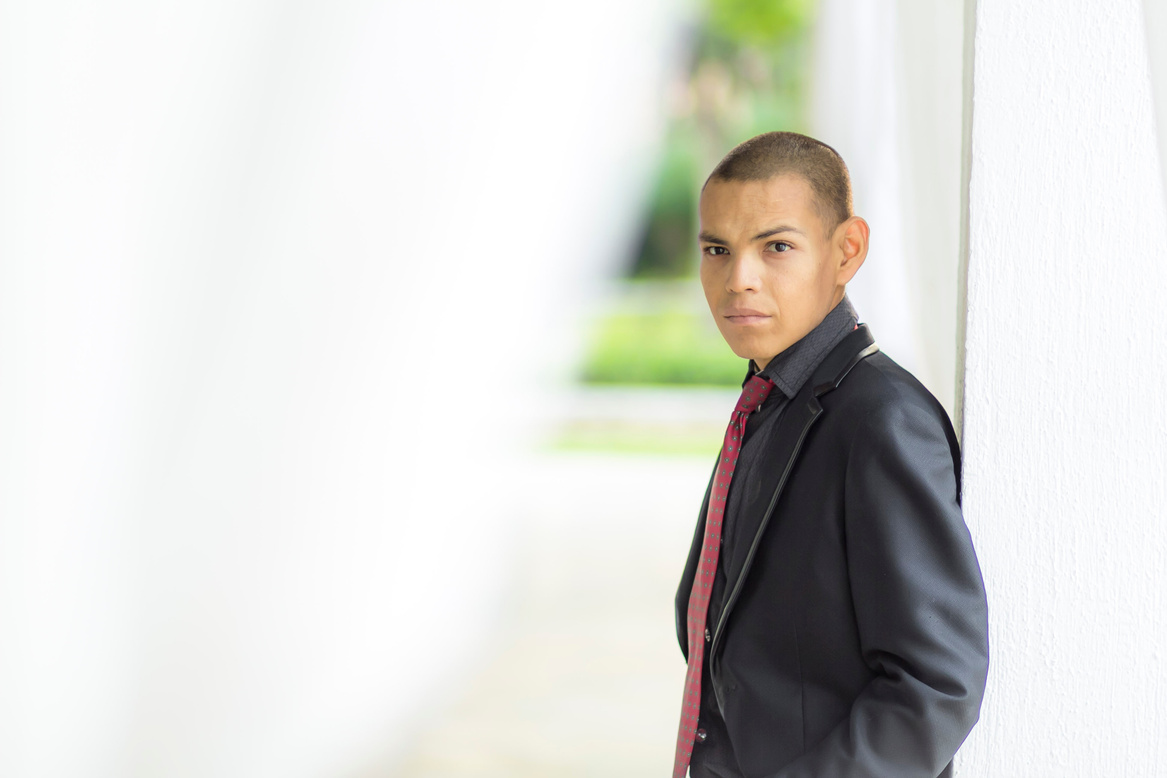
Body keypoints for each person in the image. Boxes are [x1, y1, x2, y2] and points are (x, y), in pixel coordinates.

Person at [672, 131, 989, 778]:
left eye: (777, 247)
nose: (738, 280)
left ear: (845, 251)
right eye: (716, 250)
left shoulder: (882, 421)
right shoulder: (767, 402)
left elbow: (934, 686)